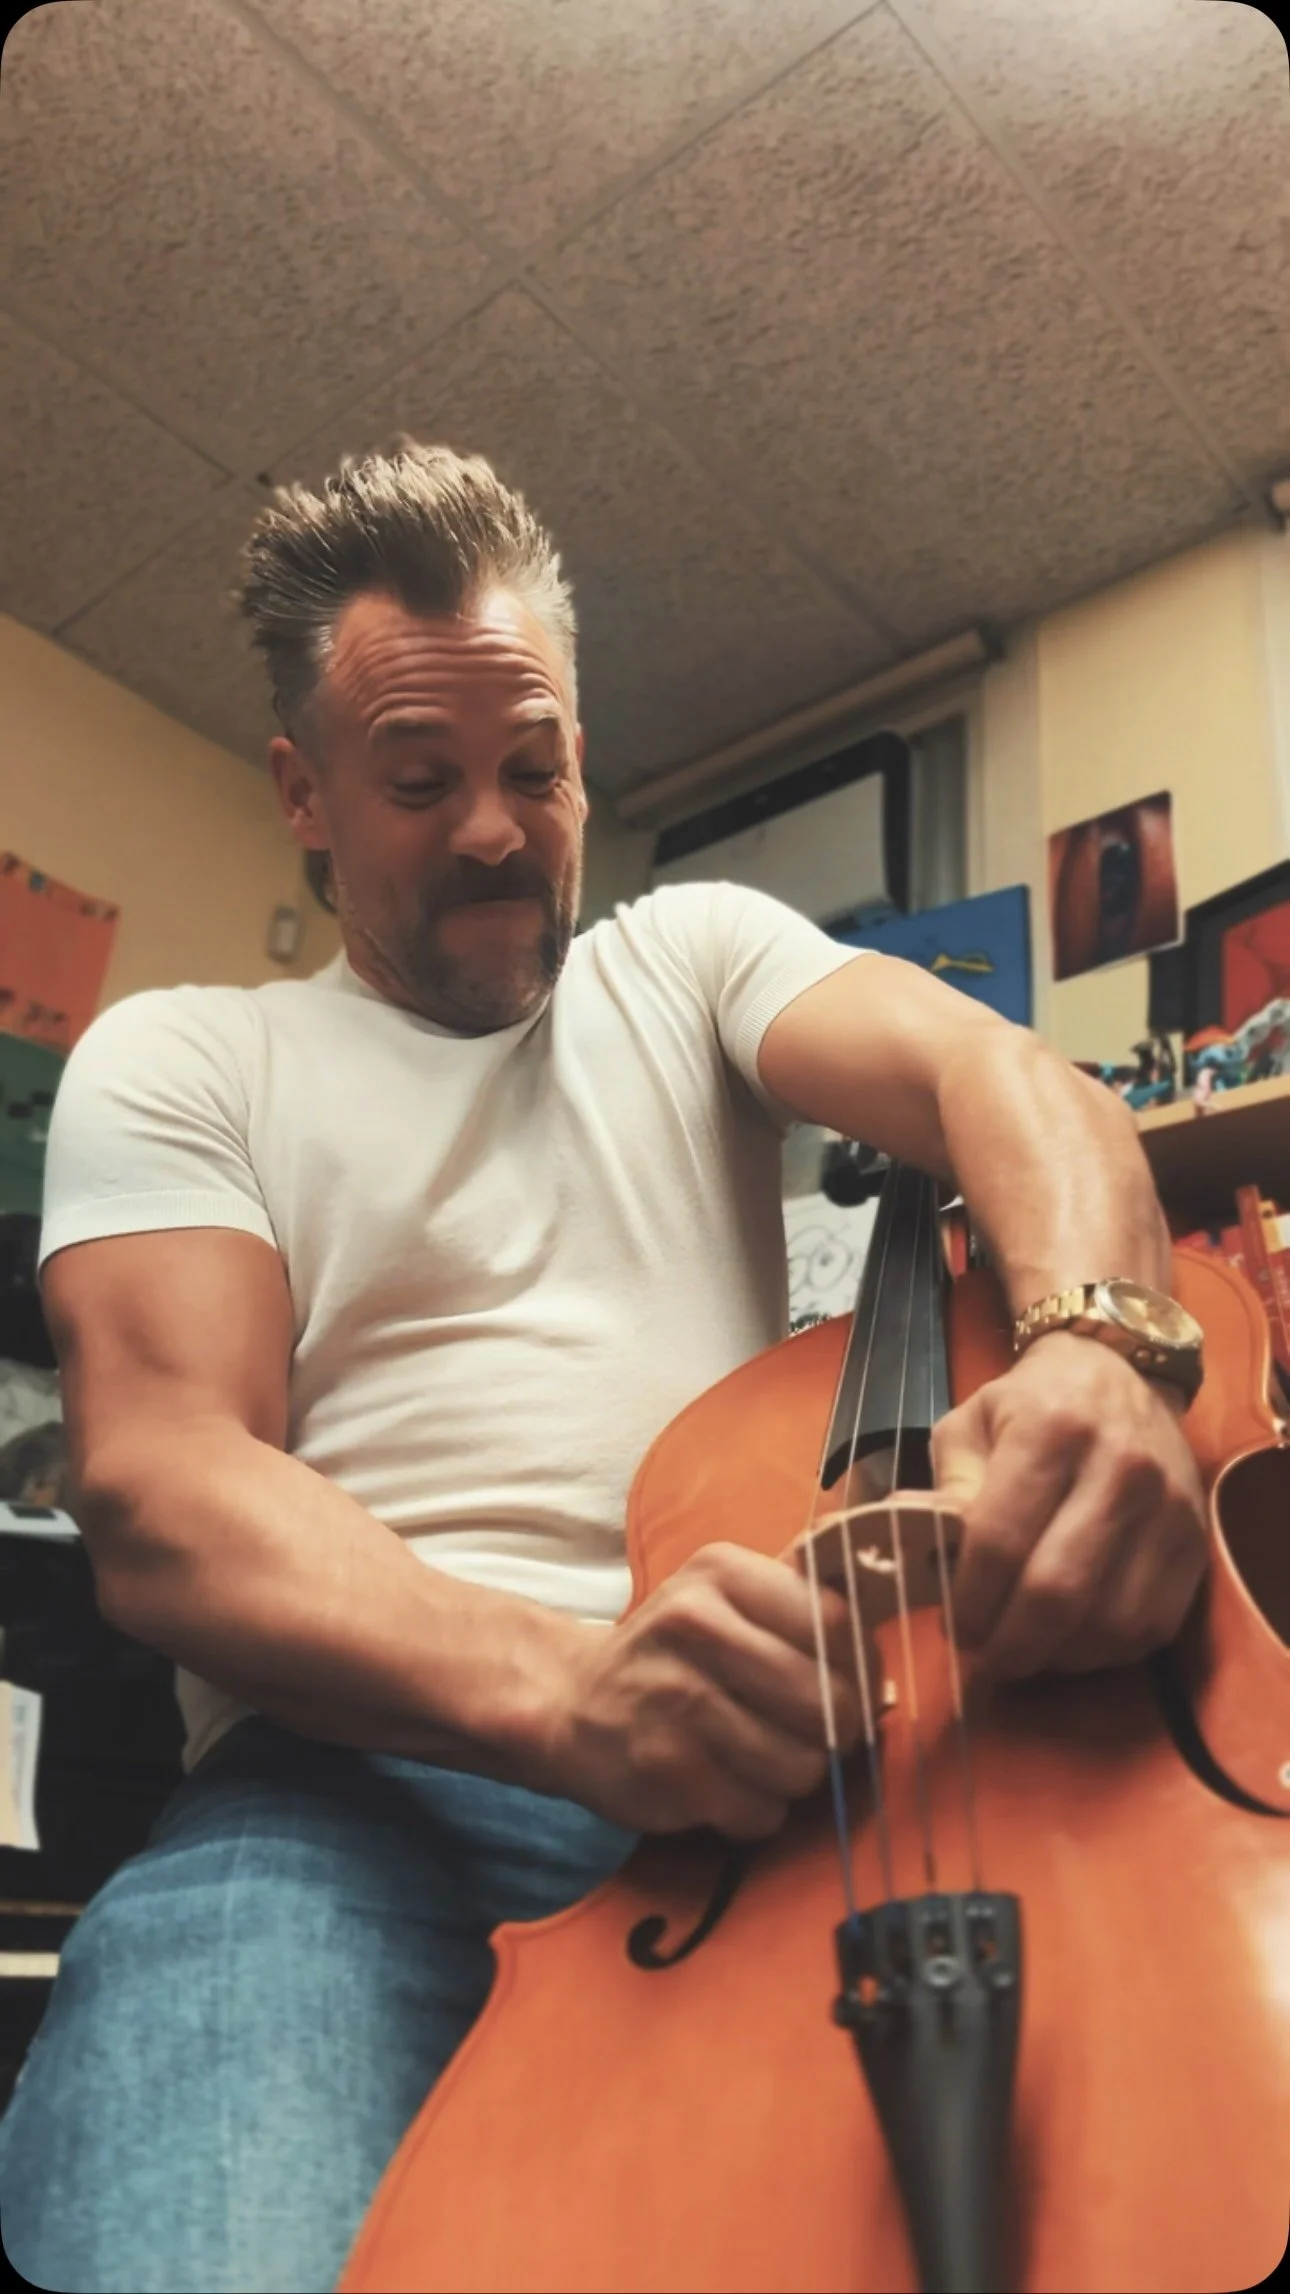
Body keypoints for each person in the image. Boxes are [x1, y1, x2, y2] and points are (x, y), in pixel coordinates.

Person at [0, 444, 1208, 2294]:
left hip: (770, 1789)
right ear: (303, 791)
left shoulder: (689, 957)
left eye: (536, 767)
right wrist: (570, 1690)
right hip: (343, 1807)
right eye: (421, 780)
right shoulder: (185, 1058)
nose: (497, 829)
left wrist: (1102, 1347)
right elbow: (165, 1485)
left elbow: (999, 1078)